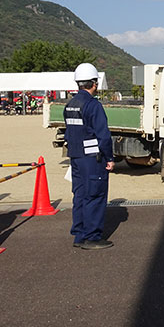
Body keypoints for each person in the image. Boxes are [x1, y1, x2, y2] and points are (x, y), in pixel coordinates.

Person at [64, 63, 114, 250]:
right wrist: (110, 158)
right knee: (94, 195)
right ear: (94, 83)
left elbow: (69, 132)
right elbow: (103, 136)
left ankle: (79, 234)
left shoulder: (70, 105)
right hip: (93, 159)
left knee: (80, 195)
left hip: (76, 157)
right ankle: (92, 237)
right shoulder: (93, 105)